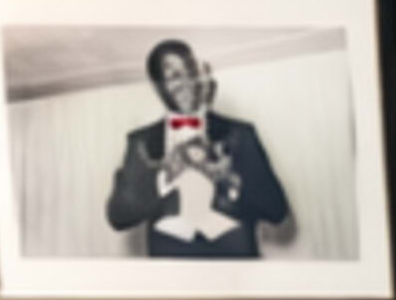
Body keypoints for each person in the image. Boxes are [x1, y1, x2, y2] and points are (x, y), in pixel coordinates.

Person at [105, 40, 290, 259]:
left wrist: (232, 177)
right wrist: (162, 177)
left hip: (237, 275)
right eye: (173, 75)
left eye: (190, 69)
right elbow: (119, 217)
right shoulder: (140, 143)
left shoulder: (241, 134)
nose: (186, 81)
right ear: (158, 86)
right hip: (172, 280)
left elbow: (277, 210)